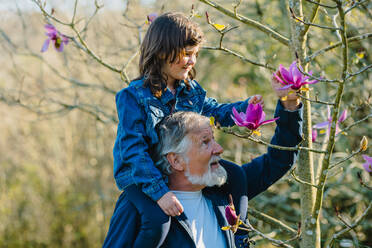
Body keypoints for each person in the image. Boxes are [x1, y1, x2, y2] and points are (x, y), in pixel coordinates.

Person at [111, 12, 264, 247]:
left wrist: (245, 109)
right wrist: (159, 192)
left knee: (234, 174)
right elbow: (133, 151)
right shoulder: (133, 97)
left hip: (177, 169)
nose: (192, 61)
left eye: (195, 54)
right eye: (186, 54)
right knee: (157, 219)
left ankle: (239, 236)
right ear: (162, 51)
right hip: (141, 177)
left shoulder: (191, 91)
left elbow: (215, 111)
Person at [103, 84, 303, 247]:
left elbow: (279, 160)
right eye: (205, 142)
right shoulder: (138, 207)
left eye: (213, 139)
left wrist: (290, 105)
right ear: (176, 160)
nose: (219, 149)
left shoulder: (228, 191)